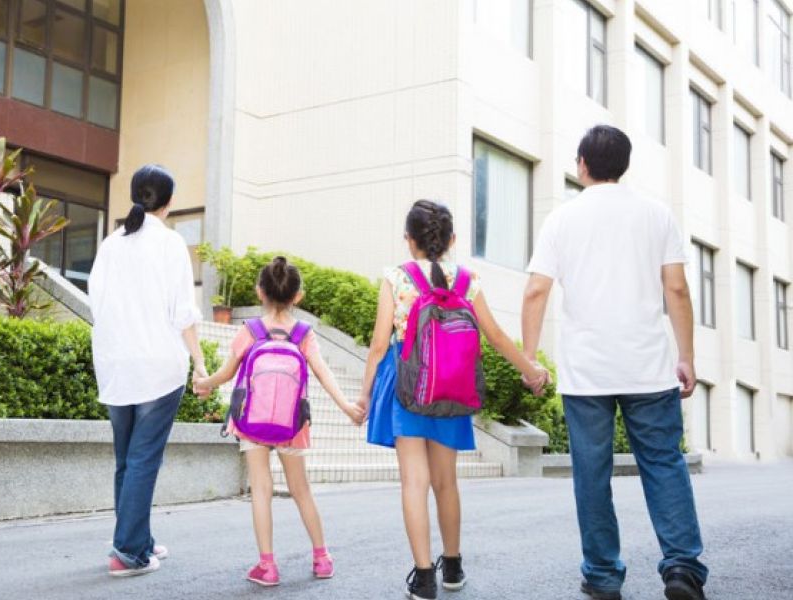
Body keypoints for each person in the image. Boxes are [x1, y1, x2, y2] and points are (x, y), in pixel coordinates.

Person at [521, 125, 708, 600]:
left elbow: (536, 289)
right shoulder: (656, 214)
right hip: (647, 366)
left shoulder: (562, 219)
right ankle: (682, 568)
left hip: (587, 373)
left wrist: (528, 357)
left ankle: (603, 576)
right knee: (664, 463)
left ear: (582, 163)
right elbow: (678, 289)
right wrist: (685, 355)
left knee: (591, 473)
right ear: (623, 166)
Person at [355, 200, 549, 600]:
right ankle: (454, 567)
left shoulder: (397, 278)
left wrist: (364, 395)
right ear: (452, 240)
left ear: (409, 240)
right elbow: (494, 335)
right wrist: (530, 370)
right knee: (447, 482)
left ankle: (424, 578)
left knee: (414, 482)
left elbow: (377, 346)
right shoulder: (467, 280)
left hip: (407, 387)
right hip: (452, 387)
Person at [193, 257, 363, 587]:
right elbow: (323, 373)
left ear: (260, 292)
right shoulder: (303, 334)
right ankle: (322, 557)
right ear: (297, 296)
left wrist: (204, 384)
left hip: (251, 423)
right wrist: (346, 406)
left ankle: (267, 566)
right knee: (301, 490)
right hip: (292, 423)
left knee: (262, 489)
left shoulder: (250, 331)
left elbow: (226, 373)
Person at [88, 164, 207, 578]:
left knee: (128, 459)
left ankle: (136, 538)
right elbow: (183, 314)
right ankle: (128, 553)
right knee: (142, 460)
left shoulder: (110, 244)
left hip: (116, 366)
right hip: (157, 366)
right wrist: (199, 362)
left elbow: (95, 304)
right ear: (169, 202)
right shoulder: (171, 244)